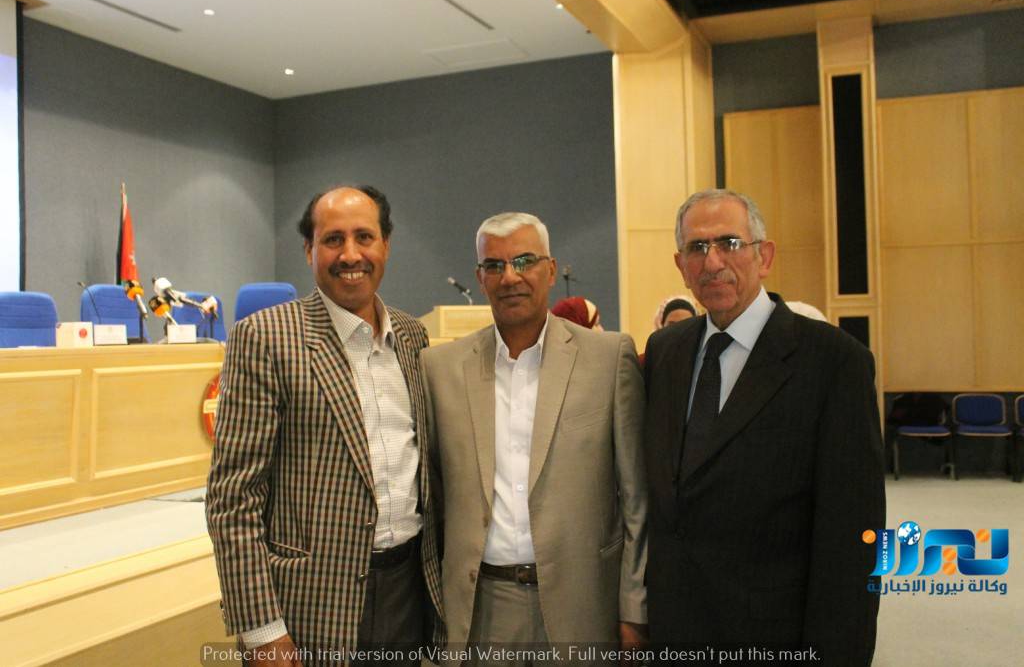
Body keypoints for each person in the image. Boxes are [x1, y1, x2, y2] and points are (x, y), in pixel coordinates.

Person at [643, 189, 885, 665]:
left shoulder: (834, 362)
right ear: (681, 266)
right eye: (697, 248)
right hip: (674, 633)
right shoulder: (664, 353)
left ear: (765, 256)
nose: (712, 262)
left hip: (775, 636)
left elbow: (853, 536)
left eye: (729, 243)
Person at [206, 185, 443, 667]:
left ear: (386, 245)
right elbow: (233, 499)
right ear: (309, 250)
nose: (350, 254)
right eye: (333, 239)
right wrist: (262, 631)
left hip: (409, 591)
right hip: (310, 607)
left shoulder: (412, 337)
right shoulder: (265, 338)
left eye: (364, 237)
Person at [420, 212, 647, 662]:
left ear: (550, 268)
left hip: (584, 606)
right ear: (480, 278)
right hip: (482, 610)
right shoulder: (439, 370)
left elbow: (635, 499)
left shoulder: (608, 358)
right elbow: (434, 499)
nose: (510, 277)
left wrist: (635, 609)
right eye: (494, 265)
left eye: (524, 261)